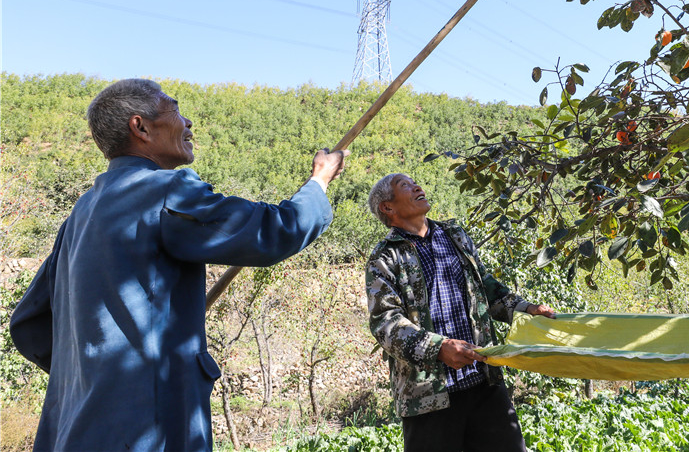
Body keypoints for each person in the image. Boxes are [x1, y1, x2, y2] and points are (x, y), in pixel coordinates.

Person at [9, 78, 349, 452]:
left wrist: (91, 373)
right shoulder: (163, 190)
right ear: (140, 127)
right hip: (148, 431)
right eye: (175, 109)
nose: (188, 122)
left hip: (75, 431)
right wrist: (319, 181)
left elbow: (28, 323)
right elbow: (276, 231)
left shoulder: (81, 212)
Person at [365, 173, 555, 452]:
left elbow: (485, 288)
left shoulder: (454, 236)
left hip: (484, 381)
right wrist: (439, 348)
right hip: (429, 397)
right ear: (387, 208)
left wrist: (525, 308)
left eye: (416, 181)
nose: (418, 186)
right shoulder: (385, 258)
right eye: (405, 186)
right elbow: (386, 323)